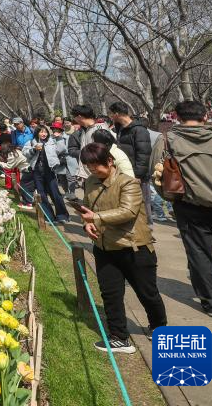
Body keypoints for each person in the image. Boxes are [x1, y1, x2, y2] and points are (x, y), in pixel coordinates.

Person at [79, 143, 167, 353]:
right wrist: (87, 223)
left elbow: (127, 211)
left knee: (147, 293)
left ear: (110, 161)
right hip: (104, 247)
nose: (93, 170)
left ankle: (159, 327)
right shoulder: (90, 182)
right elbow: (87, 208)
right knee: (110, 293)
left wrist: (96, 217)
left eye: (96, 166)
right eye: (89, 167)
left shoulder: (128, 183)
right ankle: (119, 337)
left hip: (134, 247)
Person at [151, 100, 212, 319]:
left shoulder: (166, 141)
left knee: (199, 254)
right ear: (205, 117)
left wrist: (171, 199)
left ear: (177, 117)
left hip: (189, 206)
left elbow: (157, 176)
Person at [22, 126, 70, 223]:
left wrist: (59, 138)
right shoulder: (31, 142)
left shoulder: (52, 141)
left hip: (50, 170)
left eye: (45, 132)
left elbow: (62, 149)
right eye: (41, 132)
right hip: (37, 171)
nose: (44, 134)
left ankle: (62, 216)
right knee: (42, 195)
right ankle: (49, 216)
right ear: (37, 133)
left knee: (55, 193)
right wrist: (34, 149)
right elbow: (25, 152)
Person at [68, 105, 108, 182]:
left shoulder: (99, 129)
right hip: (90, 173)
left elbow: (103, 152)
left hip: (99, 173)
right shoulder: (85, 129)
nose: (74, 120)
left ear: (79, 117)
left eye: (74, 117)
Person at [50, 121, 78, 194]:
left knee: (71, 177)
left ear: (61, 130)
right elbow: (54, 151)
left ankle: (72, 193)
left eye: (57, 129)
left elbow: (65, 148)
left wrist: (59, 138)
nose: (55, 130)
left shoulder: (68, 137)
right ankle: (66, 192)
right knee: (62, 178)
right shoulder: (50, 139)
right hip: (58, 159)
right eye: (53, 129)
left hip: (69, 158)